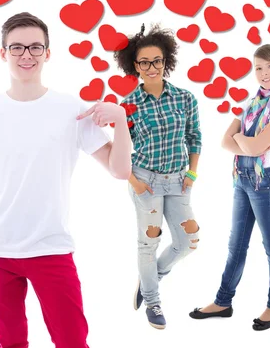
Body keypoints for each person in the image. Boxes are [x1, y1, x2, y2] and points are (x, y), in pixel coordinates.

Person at [0, 12, 132, 348]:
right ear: (3, 53)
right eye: (17, 47)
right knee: (10, 344)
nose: (27, 55)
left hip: (51, 247)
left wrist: (121, 121)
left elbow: (119, 169)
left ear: (47, 54)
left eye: (36, 47)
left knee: (72, 341)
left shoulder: (71, 108)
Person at [189, 44, 270, 331]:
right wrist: (251, 144)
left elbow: (256, 145)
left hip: (266, 181)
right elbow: (225, 141)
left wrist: (247, 143)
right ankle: (223, 301)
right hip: (241, 179)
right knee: (236, 245)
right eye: (259, 67)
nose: (264, 73)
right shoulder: (252, 101)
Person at [114, 24, 202, 329]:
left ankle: (150, 278)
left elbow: (195, 137)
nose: (152, 67)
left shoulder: (185, 98)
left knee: (188, 242)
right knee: (147, 244)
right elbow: (120, 151)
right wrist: (136, 183)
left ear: (166, 61)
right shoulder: (127, 105)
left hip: (179, 181)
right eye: (144, 62)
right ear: (135, 66)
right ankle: (153, 300)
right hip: (145, 180)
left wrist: (191, 174)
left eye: (157, 60)